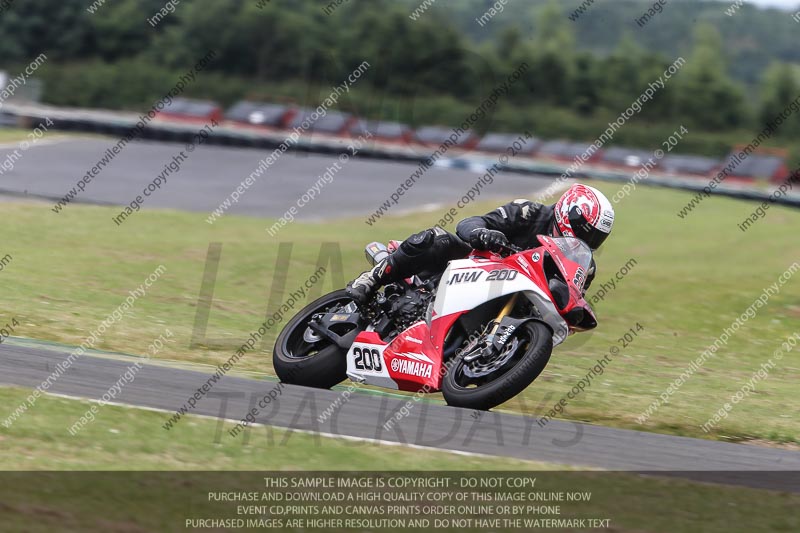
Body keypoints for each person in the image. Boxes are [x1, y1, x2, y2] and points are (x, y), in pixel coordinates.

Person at [346, 183, 615, 304]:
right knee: (437, 238)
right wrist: (484, 234)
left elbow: (571, 298)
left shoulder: (583, 266)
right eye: (586, 232)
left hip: (508, 300)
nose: (587, 241)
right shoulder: (528, 212)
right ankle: (370, 279)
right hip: (471, 269)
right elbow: (468, 223)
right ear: (569, 214)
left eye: (595, 238)